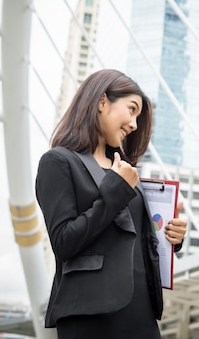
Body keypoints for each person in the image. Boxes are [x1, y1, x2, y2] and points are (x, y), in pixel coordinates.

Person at [35, 69, 187, 339]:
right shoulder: (58, 162)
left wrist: (172, 236)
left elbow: (135, 237)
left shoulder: (126, 170)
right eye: (131, 109)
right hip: (90, 312)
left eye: (138, 117)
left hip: (141, 309)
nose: (134, 125)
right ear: (102, 101)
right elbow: (63, 242)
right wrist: (116, 190)